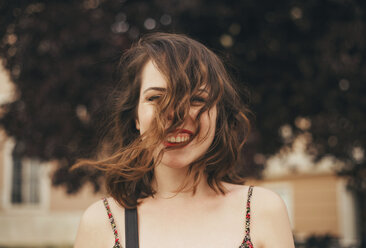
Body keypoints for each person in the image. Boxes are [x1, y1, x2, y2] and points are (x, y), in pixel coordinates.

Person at [73, 32, 294, 248]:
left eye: (196, 99)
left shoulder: (261, 211)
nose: (174, 115)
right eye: (156, 98)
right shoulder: (101, 222)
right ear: (136, 117)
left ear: (219, 115)